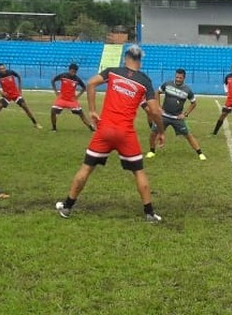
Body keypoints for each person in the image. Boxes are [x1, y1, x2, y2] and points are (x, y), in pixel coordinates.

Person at [55, 44, 166, 222]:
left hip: (104, 130)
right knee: (138, 172)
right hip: (126, 134)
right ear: (140, 60)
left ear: (125, 58)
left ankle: (67, 207)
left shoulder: (112, 72)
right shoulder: (145, 81)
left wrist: (92, 110)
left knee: (86, 168)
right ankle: (149, 213)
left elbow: (91, 83)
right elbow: (154, 111)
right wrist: (160, 131)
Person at [145, 68, 205, 161]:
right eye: (177, 77)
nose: (178, 79)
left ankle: (200, 153)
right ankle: (152, 151)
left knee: (188, 135)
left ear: (184, 78)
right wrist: (158, 106)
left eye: (180, 78)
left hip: (177, 118)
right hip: (163, 116)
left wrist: (185, 114)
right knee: (153, 133)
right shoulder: (167, 84)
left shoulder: (187, 90)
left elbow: (194, 103)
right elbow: (157, 92)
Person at [0, 63, 41, 129]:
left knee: (25, 107)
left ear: (5, 68)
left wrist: (20, 89)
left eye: (3, 68)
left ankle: (36, 123)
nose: (2, 70)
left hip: (15, 94)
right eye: (0, 69)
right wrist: (1, 92)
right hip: (6, 95)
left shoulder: (11, 72)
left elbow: (18, 76)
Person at [49, 63, 93, 132]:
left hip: (71, 101)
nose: (73, 73)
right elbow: (53, 80)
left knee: (81, 114)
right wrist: (56, 92)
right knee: (53, 111)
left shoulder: (77, 79)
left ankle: (91, 128)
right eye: (72, 71)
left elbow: (84, 87)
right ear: (69, 70)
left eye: (75, 72)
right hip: (62, 99)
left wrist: (78, 96)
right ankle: (54, 128)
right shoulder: (63, 75)